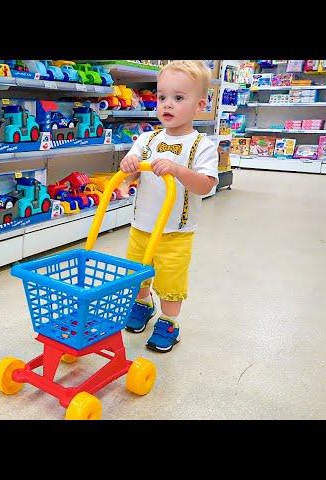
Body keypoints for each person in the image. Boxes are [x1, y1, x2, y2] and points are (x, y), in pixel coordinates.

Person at [119, 60, 219, 353]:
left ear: (199, 104)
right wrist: (128, 169)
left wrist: (177, 170)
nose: (167, 104)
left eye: (178, 98)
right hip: (141, 226)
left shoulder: (202, 145)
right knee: (137, 273)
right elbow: (131, 172)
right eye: (162, 96)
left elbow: (204, 184)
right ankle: (143, 304)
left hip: (176, 232)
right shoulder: (147, 139)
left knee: (171, 280)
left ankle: (169, 321)